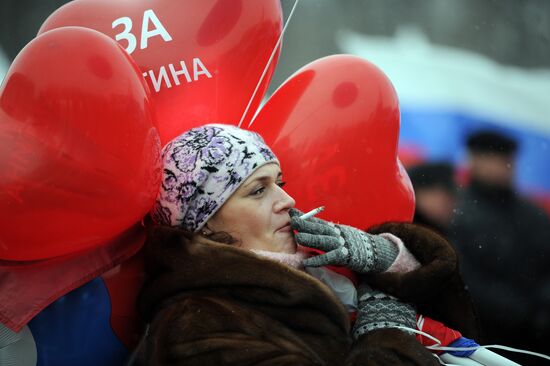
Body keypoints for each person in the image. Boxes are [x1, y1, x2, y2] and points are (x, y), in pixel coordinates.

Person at [135, 124, 478, 365]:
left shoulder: (321, 264)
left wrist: (389, 259)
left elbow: (461, 317)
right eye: (258, 190)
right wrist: (388, 332)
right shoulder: (194, 327)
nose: (288, 199)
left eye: (279, 183)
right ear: (206, 225)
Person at [450, 130, 550, 363]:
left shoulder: (532, 214)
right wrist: (519, 311)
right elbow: (463, 273)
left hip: (538, 334)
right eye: (493, 159)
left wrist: (542, 307)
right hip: (483, 335)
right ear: (474, 160)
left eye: (506, 160)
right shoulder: (458, 211)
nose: (501, 167)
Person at [408, 162, 457, 237]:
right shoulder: (409, 233)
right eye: (433, 194)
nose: (441, 201)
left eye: (448, 195)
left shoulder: (460, 230)